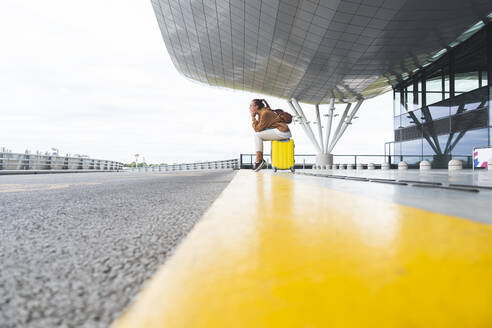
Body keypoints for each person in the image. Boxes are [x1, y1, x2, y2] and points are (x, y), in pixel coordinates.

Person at [250, 98, 291, 171]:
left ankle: (259, 160)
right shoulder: (263, 111)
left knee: (257, 135)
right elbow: (259, 128)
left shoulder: (264, 113)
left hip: (282, 131)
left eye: (251, 106)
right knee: (258, 134)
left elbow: (257, 129)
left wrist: (253, 117)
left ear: (256, 106)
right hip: (282, 131)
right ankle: (259, 160)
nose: (250, 108)